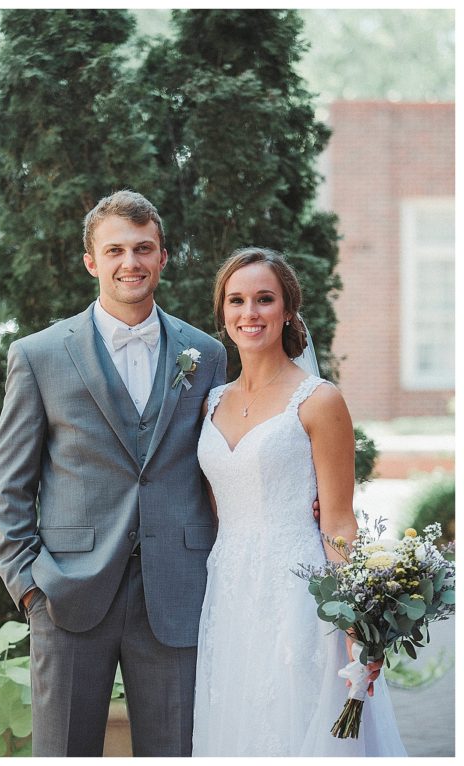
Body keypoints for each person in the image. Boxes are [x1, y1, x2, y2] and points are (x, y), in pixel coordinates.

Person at [0, 190, 228, 756]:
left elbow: (224, 460)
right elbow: (9, 483)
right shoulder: (38, 355)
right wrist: (29, 586)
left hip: (177, 590)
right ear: (91, 261)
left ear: (163, 257)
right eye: (115, 250)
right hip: (69, 593)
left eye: (144, 248)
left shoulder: (207, 354)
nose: (131, 263)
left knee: (175, 751)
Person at [192, 247, 405, 756]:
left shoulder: (319, 400)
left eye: (265, 299)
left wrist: (359, 630)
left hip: (298, 592)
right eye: (237, 301)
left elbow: (337, 521)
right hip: (226, 591)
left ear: (288, 309)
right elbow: (218, 507)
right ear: (222, 311)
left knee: (295, 722)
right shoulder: (211, 401)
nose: (250, 314)